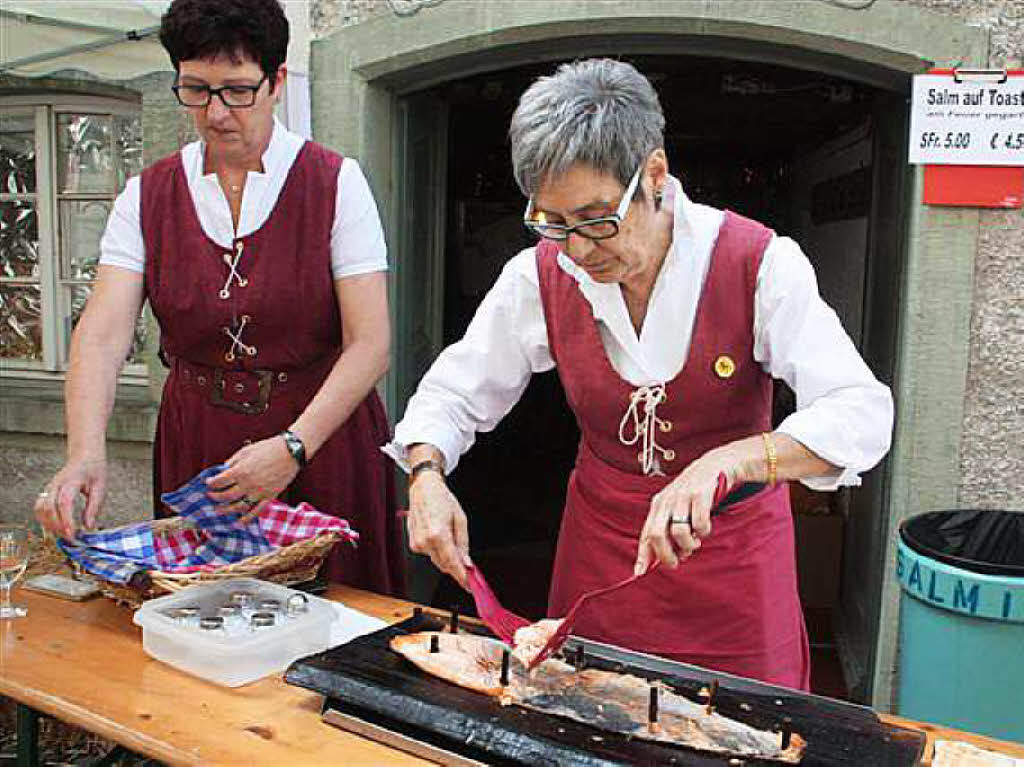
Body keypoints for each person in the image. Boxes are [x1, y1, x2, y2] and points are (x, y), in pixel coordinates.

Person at [385, 59, 893, 689]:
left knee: (745, 737)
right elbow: (453, 392)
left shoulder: (756, 263)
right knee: (581, 724)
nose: (576, 247)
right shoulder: (541, 275)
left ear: (654, 174)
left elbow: (860, 410)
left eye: (597, 218)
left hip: (732, 569)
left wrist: (729, 461)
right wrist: (428, 474)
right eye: (553, 222)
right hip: (600, 565)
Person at [34, 0, 404, 596]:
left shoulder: (336, 182)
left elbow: (371, 343)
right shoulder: (146, 196)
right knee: (205, 620)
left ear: (277, 81)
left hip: (319, 438)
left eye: (236, 91)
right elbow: (102, 334)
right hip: (199, 444)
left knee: (333, 627)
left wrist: (293, 447)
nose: (215, 113)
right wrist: (84, 453)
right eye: (196, 90)